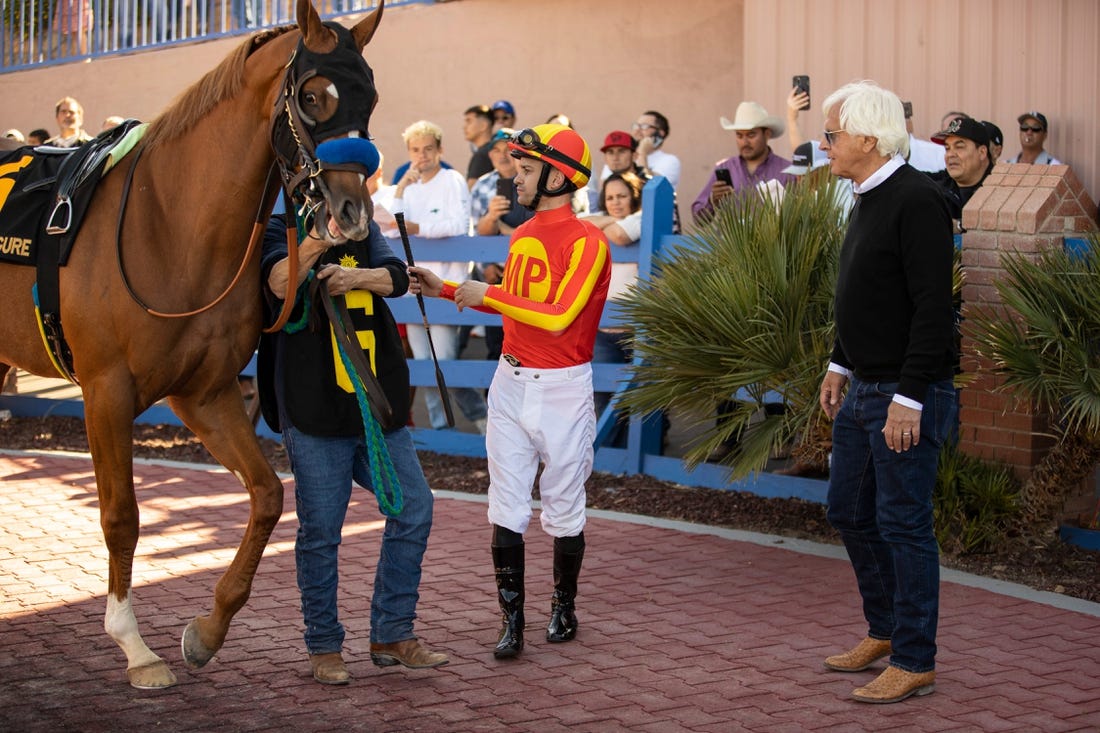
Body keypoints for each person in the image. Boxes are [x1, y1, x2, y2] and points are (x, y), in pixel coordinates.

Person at [407, 123, 610, 660]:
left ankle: (563, 605)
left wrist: (485, 292)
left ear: (558, 177)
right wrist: (446, 287)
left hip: (564, 389)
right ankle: (511, 620)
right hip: (511, 382)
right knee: (505, 503)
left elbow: (560, 315)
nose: (515, 178)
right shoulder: (522, 236)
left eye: (525, 170)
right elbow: (510, 302)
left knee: (565, 504)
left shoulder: (590, 241)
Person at [258, 201, 449, 686]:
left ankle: (392, 632)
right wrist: (321, 239)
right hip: (315, 406)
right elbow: (279, 282)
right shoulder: (279, 228)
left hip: (375, 401)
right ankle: (323, 644)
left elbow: (396, 278)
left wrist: (354, 277)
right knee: (321, 532)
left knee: (415, 508)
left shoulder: (366, 232)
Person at [817, 80, 957, 704]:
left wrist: (910, 396)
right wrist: (838, 363)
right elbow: (868, 294)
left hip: (902, 394)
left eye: (832, 134)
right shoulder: (865, 195)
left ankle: (914, 657)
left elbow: (932, 308)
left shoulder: (916, 199)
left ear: (868, 139)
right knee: (848, 510)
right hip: (863, 388)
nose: (825, 145)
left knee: (903, 524)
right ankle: (884, 631)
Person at [390, 120, 488, 433]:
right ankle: (441, 429)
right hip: (414, 288)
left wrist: (417, 229)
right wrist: (402, 188)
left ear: (440, 150)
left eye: (428, 149)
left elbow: (458, 225)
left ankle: (483, 420)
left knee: (442, 363)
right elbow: (389, 222)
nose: (422, 155)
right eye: (415, 150)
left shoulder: (453, 180)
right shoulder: (407, 187)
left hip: (446, 288)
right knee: (424, 364)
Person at [582, 171, 645, 429]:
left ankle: (629, 463)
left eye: (622, 196)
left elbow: (620, 235)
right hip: (602, 326)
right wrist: (611, 220)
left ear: (634, 198)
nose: (616, 202)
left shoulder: (642, 218)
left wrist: (606, 223)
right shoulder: (612, 218)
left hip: (634, 329)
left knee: (634, 396)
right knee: (601, 393)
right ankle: (608, 458)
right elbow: (578, 223)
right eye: (610, 197)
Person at [692, 101, 795, 223]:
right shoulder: (726, 167)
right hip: (730, 242)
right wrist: (712, 201)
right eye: (739, 136)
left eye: (751, 135)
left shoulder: (787, 171)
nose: (744, 142)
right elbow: (699, 219)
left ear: (767, 134)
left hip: (772, 242)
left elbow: (798, 219)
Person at [929, 116, 992, 224]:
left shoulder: (1002, 190)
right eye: (947, 148)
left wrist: (959, 226)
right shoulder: (936, 192)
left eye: (959, 147)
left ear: (982, 152)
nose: (950, 155)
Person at [631, 110, 681, 190]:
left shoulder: (670, 161)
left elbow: (650, 187)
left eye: (644, 126)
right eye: (636, 126)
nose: (637, 130)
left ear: (660, 133)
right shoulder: (623, 157)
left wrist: (642, 152)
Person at [463, 104, 496, 187]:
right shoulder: (494, 150)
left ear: (483, 125)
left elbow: (472, 191)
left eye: (469, 121)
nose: (464, 127)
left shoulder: (482, 155)